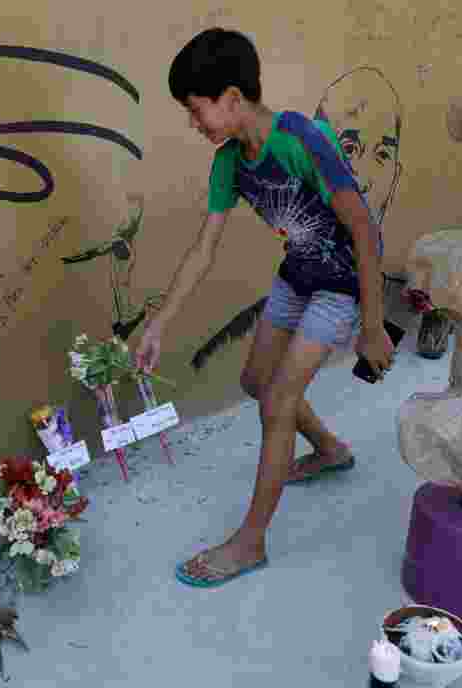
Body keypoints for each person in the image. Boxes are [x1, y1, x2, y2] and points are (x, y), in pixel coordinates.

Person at [135, 28, 394, 587]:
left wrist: (372, 326)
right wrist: (160, 323)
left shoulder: (300, 139)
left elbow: (364, 231)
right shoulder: (230, 162)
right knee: (257, 381)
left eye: (195, 110)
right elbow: (203, 248)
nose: (194, 123)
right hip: (297, 275)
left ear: (231, 98)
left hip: (342, 285)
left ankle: (250, 542)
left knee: (277, 402)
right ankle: (329, 449)